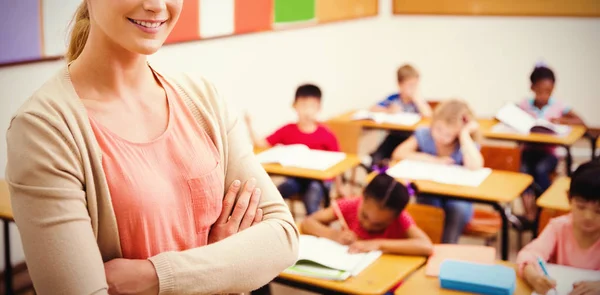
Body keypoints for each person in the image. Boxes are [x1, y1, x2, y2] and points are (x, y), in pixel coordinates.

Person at [5, 1, 298, 294]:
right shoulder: (44, 129)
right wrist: (225, 266)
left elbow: (282, 237)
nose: (157, 5)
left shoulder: (204, 99)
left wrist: (156, 276)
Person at [245, 84, 346, 215]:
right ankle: (273, 221)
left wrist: (340, 187)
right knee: (276, 192)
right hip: (296, 178)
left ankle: (312, 224)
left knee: (313, 194)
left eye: (312, 106)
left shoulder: (326, 134)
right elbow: (262, 144)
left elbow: (337, 163)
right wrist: (249, 125)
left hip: (319, 181)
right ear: (294, 106)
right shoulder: (287, 130)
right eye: (303, 106)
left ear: (319, 108)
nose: (307, 111)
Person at [392, 99, 483, 244]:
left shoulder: (465, 143)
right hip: (430, 193)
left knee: (456, 209)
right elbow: (399, 153)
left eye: (448, 134)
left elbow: (475, 166)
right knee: (429, 207)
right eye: (438, 130)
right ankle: (427, 247)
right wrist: (433, 160)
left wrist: (465, 134)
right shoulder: (425, 134)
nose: (441, 136)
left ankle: (446, 250)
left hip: (458, 197)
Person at [516, 161, 600, 295]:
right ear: (569, 199)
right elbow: (528, 255)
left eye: (598, 211)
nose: (588, 216)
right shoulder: (559, 227)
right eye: (581, 206)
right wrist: (534, 278)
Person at [301, 173, 433, 256]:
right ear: (362, 195)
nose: (368, 225)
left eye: (379, 225)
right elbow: (308, 222)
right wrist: (334, 235)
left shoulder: (400, 218)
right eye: (364, 215)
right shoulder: (350, 205)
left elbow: (426, 246)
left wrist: (378, 244)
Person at [518, 64, 585, 224]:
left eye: (548, 92)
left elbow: (580, 122)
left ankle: (546, 209)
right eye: (540, 91)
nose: (543, 96)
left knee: (540, 170)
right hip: (528, 150)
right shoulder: (525, 105)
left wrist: (561, 120)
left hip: (549, 153)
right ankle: (530, 215)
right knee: (523, 172)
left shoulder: (559, 106)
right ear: (532, 87)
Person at [368, 64, 433, 167]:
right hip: (394, 135)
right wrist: (388, 110)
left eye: (415, 85)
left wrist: (418, 100)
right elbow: (372, 109)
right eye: (410, 85)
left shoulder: (418, 101)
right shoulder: (394, 99)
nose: (413, 88)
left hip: (411, 139)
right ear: (400, 85)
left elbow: (429, 116)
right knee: (377, 158)